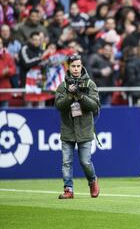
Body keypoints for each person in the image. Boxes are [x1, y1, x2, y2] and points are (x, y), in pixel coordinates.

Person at [55, 54, 101, 199]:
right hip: (68, 128)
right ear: (68, 67)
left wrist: (80, 96)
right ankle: (68, 189)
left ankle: (93, 181)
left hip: (85, 128)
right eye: (73, 66)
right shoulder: (62, 86)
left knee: (85, 162)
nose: (76, 69)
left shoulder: (90, 84)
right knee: (66, 162)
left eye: (78, 66)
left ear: (82, 66)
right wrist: (69, 96)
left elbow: (95, 106)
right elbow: (58, 106)